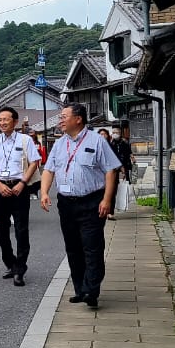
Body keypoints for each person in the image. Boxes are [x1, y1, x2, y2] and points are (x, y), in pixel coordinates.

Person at [40, 103, 122, 309]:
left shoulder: (97, 141)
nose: (60, 120)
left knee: (92, 246)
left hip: (92, 201)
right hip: (66, 203)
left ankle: (91, 290)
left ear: (78, 119)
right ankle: (80, 289)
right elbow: (49, 170)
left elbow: (111, 171)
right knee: (73, 247)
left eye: (64, 116)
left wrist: (106, 200)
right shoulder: (59, 144)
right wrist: (43, 193)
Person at [0, 106, 43, 286]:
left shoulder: (25, 140)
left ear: (15, 122)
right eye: (0, 120)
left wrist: (22, 182)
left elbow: (34, 163)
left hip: (19, 189)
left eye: (6, 119)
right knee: (1, 228)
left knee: (21, 229)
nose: (2, 123)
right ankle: (10, 262)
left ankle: (20, 268)